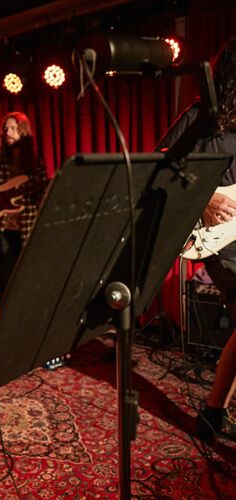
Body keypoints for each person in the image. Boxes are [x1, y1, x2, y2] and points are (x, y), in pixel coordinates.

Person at [157, 38, 236, 441]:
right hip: (216, 239)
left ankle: (215, 412)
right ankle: (214, 411)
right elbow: (157, 170)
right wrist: (202, 199)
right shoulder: (203, 117)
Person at [0, 111, 47, 305]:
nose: (8, 132)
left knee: (25, 274)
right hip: (0, 223)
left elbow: (41, 194)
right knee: (0, 275)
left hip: (26, 224)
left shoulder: (35, 163)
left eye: (13, 128)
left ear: (24, 132)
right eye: (6, 128)